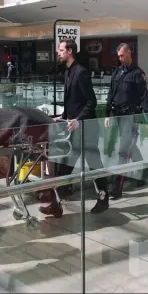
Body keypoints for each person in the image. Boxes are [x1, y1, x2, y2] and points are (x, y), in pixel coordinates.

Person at [39, 39, 109, 217]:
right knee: (66, 167)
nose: (58, 53)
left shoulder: (81, 72)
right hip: (75, 129)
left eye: (61, 50)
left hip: (87, 129)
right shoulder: (69, 72)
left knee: (94, 165)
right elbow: (74, 102)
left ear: (70, 51)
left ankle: (103, 197)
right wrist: (62, 117)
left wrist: (78, 119)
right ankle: (56, 204)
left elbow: (90, 102)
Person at [104, 43, 148, 200]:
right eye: (118, 56)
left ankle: (116, 188)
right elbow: (111, 93)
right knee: (130, 148)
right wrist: (107, 114)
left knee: (123, 151)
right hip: (119, 117)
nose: (120, 59)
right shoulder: (117, 72)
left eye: (122, 55)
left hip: (132, 117)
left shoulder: (137, 74)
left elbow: (143, 97)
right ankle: (145, 170)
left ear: (129, 53)